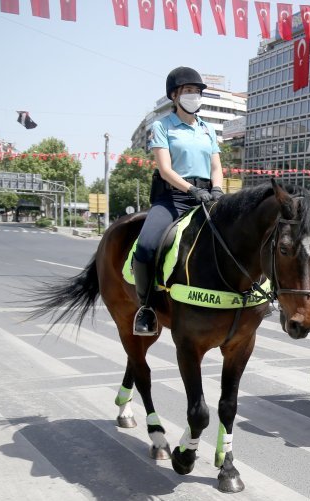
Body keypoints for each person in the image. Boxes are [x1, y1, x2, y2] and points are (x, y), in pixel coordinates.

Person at [132, 66, 223, 336]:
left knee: (239, 236)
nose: (193, 96)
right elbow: (165, 170)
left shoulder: (208, 129)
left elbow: (216, 165)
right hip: (173, 197)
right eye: (188, 91)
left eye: (197, 92)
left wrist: (216, 189)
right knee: (147, 246)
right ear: (174, 95)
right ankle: (146, 308)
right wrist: (191, 190)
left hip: (207, 196)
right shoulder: (162, 126)